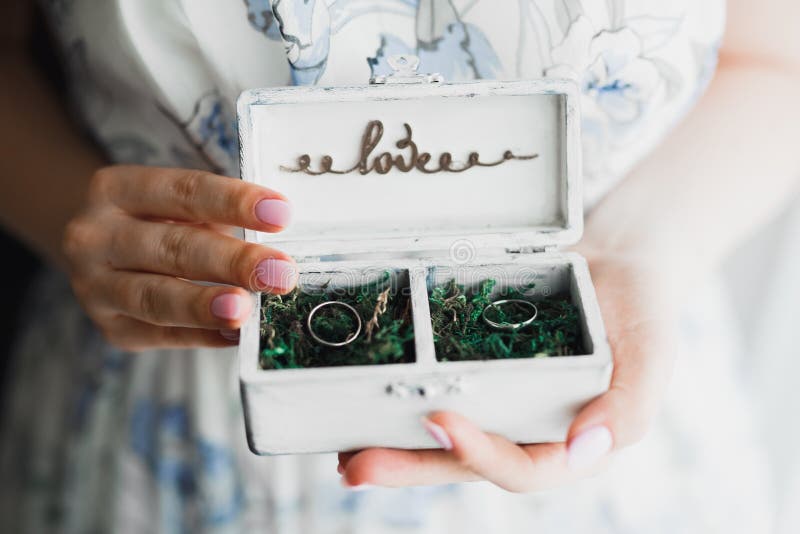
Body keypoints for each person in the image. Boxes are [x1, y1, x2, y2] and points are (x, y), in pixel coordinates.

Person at [1, 0, 798, 532]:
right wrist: (77, 216)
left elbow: (777, 61)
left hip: (613, 386)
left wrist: (643, 245)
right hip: (160, 411)